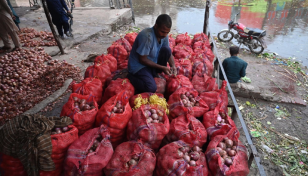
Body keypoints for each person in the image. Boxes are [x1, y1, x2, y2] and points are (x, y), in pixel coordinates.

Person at [127, 14, 176, 93]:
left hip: (152, 62)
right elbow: (142, 60)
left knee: (166, 50)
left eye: (167, 32)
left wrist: (173, 66)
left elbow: (168, 51)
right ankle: (129, 76)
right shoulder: (147, 36)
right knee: (151, 88)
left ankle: (153, 73)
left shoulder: (164, 35)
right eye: (163, 32)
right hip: (139, 66)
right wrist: (162, 67)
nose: (165, 35)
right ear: (156, 26)